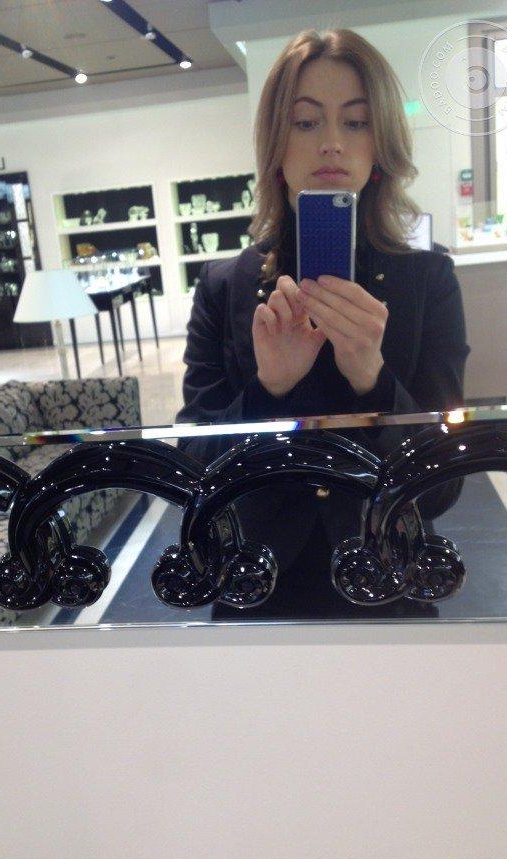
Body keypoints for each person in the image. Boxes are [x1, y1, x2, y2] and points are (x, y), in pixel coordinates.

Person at [174, 28, 470, 619]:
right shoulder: (224, 287)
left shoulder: (428, 280)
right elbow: (193, 474)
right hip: (255, 587)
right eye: (306, 122)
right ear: (275, 145)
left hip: (388, 582)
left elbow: (443, 489)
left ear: (380, 143)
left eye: (356, 122)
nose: (332, 143)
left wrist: (374, 382)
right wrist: (268, 391)